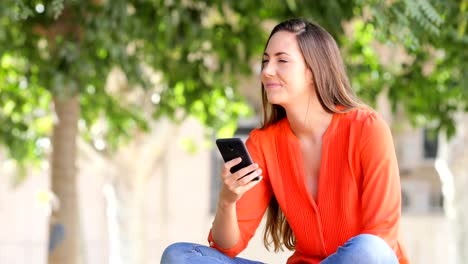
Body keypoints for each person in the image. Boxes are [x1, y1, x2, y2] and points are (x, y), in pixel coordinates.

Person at [161, 18, 409, 264]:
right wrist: (227, 199)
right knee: (179, 256)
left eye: (282, 60)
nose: (267, 71)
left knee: (369, 249)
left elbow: (381, 238)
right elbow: (227, 249)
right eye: (266, 61)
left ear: (313, 70)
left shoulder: (367, 128)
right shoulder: (263, 143)